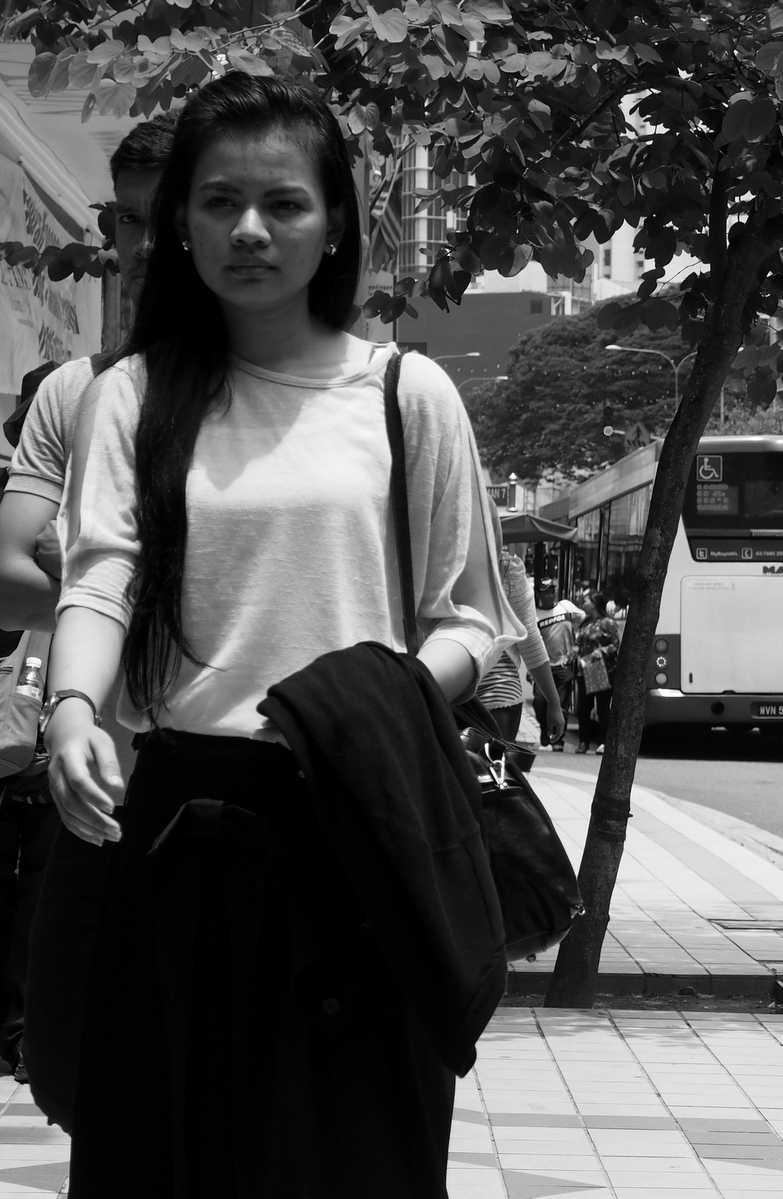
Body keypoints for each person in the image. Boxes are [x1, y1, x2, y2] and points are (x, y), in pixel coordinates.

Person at [42, 73, 517, 1194]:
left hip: (361, 821)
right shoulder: (134, 395)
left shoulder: (407, 394)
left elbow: (474, 621)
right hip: (178, 828)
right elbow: (103, 570)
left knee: (349, 1151)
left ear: (337, 220)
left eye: (284, 202)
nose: (249, 230)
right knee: (164, 1147)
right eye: (216, 202)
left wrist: (370, 699)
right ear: (180, 224)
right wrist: (71, 706)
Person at [0, 113, 175, 1116]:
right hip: (101, 793)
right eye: (128, 219)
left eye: (167, 216)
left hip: (269, 792)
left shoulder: (335, 393)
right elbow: (4, 571)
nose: (144, 248)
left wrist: (91, 573)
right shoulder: (76, 391)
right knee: (87, 1087)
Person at [475, 546, 566, 744]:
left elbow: (531, 642)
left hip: (494, 692)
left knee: (483, 768)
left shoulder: (506, 570)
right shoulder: (434, 558)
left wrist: (554, 702)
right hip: (443, 692)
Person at [533, 576, 584, 750]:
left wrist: (577, 646)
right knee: (540, 703)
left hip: (564, 666)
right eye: (546, 592)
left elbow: (586, 622)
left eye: (552, 590)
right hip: (543, 667)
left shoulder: (565, 607)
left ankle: (557, 741)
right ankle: (544, 731)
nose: (550, 594)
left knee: (561, 704)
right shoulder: (534, 615)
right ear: (539, 594)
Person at [575, 596, 620, 754]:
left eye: (586, 601)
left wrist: (601, 651)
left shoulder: (608, 623)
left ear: (594, 604)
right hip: (585, 670)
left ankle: (604, 742)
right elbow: (578, 644)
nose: (583, 603)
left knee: (602, 708)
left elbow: (616, 645)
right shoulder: (585, 623)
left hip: (604, 671)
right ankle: (583, 742)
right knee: (583, 708)